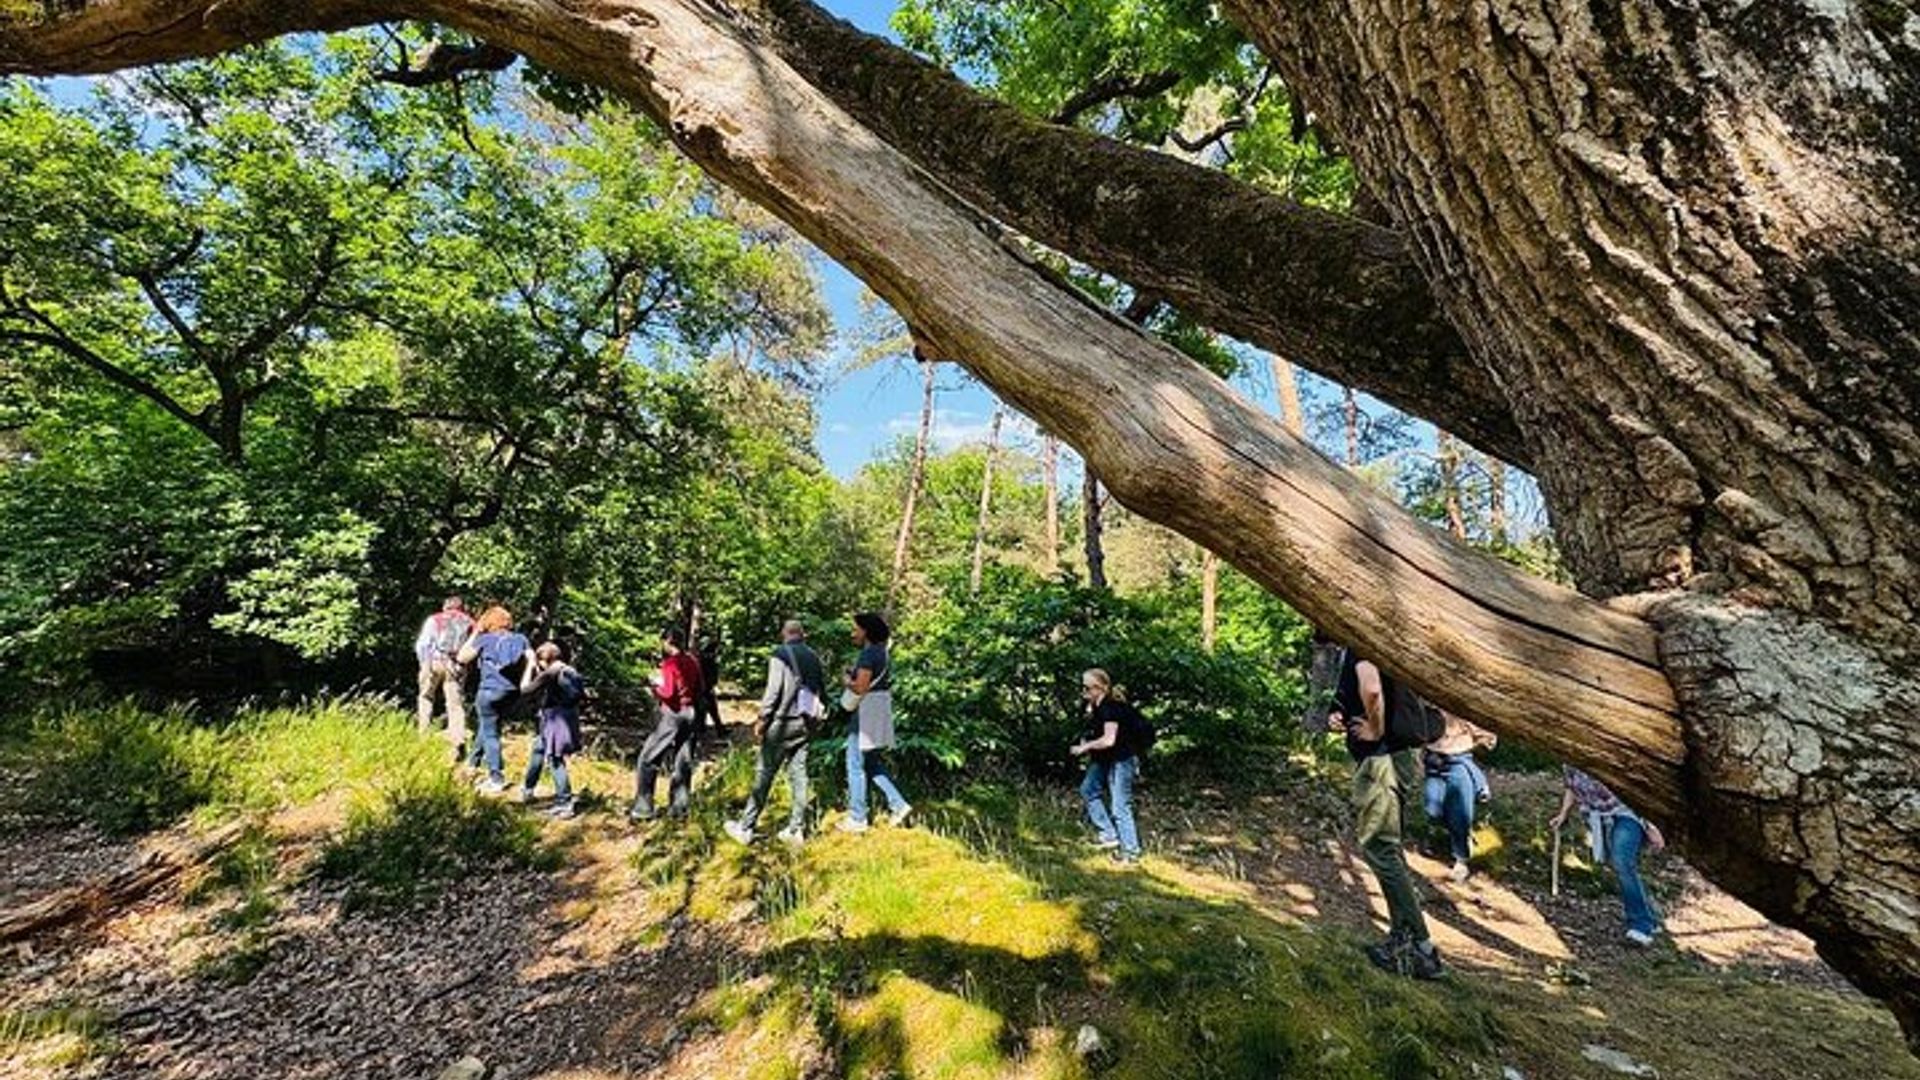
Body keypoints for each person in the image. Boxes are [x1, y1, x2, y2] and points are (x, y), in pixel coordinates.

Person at [1328, 648, 1444, 979]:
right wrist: (1341, 714)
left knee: (1380, 849)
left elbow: (1372, 688)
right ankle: (1404, 937)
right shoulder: (1381, 642)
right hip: (1396, 759)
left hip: (1382, 762)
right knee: (1388, 849)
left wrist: (1375, 730)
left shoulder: (1360, 644)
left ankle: (1419, 947)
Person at [723, 620, 826, 846]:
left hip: (782, 724)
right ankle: (795, 830)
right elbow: (821, 691)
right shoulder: (813, 656)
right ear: (803, 634)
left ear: (784, 634)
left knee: (765, 774)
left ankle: (745, 827)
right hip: (806, 724)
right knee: (799, 773)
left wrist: (762, 719)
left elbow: (773, 690)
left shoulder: (780, 654)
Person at [1550, 766, 1666, 946]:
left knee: (1622, 861)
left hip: (1628, 813)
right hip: (1601, 816)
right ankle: (1649, 917)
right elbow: (1571, 786)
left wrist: (1651, 826)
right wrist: (1563, 814)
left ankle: (1641, 926)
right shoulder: (1569, 760)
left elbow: (1635, 790)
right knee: (1622, 865)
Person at [839, 612, 911, 833]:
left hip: (866, 713)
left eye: (856, 629)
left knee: (854, 764)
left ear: (866, 631)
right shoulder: (883, 653)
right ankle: (899, 805)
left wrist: (845, 681)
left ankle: (857, 818)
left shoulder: (868, 654)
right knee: (871, 763)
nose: (854, 633)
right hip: (879, 710)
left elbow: (861, 688)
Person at [456, 606, 533, 796]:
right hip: (511, 693)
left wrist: (476, 632)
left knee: (491, 734)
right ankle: (473, 762)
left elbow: (462, 657)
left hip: (489, 691)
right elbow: (531, 659)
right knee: (488, 724)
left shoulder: (485, 639)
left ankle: (496, 778)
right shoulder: (521, 639)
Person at [1069, 668, 1143, 864]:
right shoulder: (1098, 708)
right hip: (1105, 759)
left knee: (1120, 806)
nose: (1083, 693)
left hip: (1122, 760)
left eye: (1086, 688)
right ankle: (1109, 834)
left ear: (1099, 688)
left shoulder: (1111, 708)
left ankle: (1131, 853)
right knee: (1088, 789)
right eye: (1082, 688)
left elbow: (1109, 740)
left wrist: (1084, 748)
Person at [631, 626, 705, 821]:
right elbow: (700, 688)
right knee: (683, 761)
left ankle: (643, 809)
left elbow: (668, 693)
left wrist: (654, 687)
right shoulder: (692, 661)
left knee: (647, 759)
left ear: (668, 642)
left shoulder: (670, 664)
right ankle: (679, 810)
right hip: (690, 713)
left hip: (673, 714)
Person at [1423, 711, 1497, 882]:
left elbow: (1490, 738)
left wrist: (1476, 735)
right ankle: (1479, 784)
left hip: (1459, 760)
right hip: (1433, 758)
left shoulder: (1466, 704)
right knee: (1432, 810)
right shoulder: (1431, 699)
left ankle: (1461, 859)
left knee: (1460, 813)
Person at [518, 642, 586, 819]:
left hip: (554, 720)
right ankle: (528, 788)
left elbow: (525, 689)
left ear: (543, 660)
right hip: (568, 717)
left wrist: (529, 666)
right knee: (538, 748)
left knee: (555, 760)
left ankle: (565, 803)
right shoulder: (569, 670)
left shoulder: (550, 672)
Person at [414, 596, 473, 754]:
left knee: (426, 696)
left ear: (445, 606)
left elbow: (423, 643)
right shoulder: (469, 622)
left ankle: (423, 734)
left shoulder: (435, 619)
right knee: (455, 704)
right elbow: (472, 646)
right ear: (461, 607)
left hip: (434, 662)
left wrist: (424, 664)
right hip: (456, 665)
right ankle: (458, 737)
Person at [692, 636, 724, 737]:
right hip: (702, 687)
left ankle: (719, 730)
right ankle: (704, 730)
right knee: (703, 710)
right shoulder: (701, 658)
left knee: (711, 709)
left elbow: (713, 674)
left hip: (706, 687)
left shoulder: (706, 658)